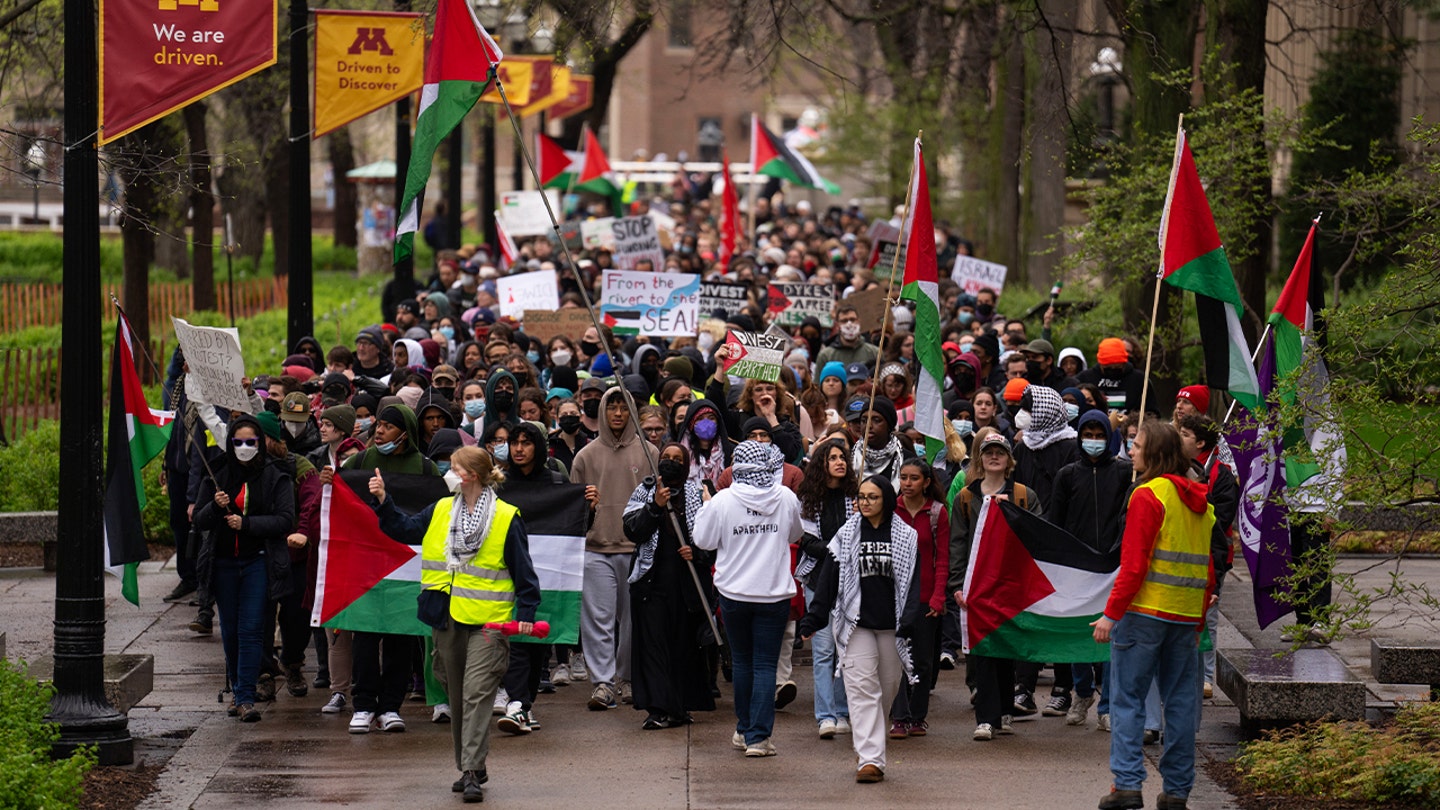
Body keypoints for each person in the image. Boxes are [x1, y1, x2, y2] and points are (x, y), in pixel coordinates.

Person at [369, 446, 541, 804]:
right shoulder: (441, 508)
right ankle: (472, 764)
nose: (447, 470)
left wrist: (524, 619)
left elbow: (526, 577)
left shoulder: (507, 518)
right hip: (444, 617)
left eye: (454, 466)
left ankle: (469, 769)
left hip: (489, 624)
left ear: (471, 475)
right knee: (458, 696)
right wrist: (384, 500)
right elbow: (404, 529)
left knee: (478, 693)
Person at [1091, 421, 1215, 810]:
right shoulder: (1202, 504)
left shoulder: (1147, 495)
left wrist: (1111, 614)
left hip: (1143, 614)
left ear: (1155, 454)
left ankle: (1127, 786)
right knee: (1180, 704)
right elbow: (1208, 571)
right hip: (1183, 617)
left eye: (1138, 445)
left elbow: (1133, 564)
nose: (1131, 451)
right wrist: (1197, 623)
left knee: (1127, 700)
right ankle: (1177, 792)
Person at [799, 475, 922, 783]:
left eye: (872, 497)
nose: (864, 503)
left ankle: (870, 746)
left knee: (886, 692)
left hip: (891, 627)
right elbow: (829, 579)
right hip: (856, 625)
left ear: (886, 500)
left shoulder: (906, 536)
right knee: (861, 690)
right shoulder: (846, 534)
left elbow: (913, 583)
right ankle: (870, 760)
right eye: (861, 497)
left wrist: (909, 620)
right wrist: (814, 618)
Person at [692, 441, 804, 758]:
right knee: (766, 665)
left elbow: (703, 540)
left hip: (734, 593)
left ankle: (744, 729)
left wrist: (705, 505)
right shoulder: (785, 496)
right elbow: (795, 534)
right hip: (773, 593)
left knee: (742, 662)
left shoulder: (723, 500)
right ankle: (758, 737)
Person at [342, 404, 440, 734]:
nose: (379, 430)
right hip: (367, 564)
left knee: (401, 635)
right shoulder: (360, 462)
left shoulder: (425, 469)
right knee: (365, 634)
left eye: (388, 426)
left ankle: (390, 707)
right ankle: (365, 704)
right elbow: (340, 496)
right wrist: (329, 480)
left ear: (404, 433)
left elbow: (437, 511)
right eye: (378, 425)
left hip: (407, 567)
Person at [193, 413, 297, 722]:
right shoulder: (217, 475)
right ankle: (239, 689)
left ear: (261, 444)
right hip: (223, 564)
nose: (244, 448)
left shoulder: (275, 475)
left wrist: (246, 523)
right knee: (231, 630)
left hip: (257, 561)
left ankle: (246, 697)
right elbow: (199, 521)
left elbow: (284, 519)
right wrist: (214, 505)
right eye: (237, 442)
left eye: (250, 442)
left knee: (252, 629)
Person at [949, 430, 1041, 742]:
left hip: (1012, 585)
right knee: (984, 649)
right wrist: (957, 584)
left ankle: (1003, 711)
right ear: (979, 458)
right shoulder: (965, 498)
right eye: (988, 452)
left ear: (1008, 460)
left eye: (999, 452)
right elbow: (957, 543)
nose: (993, 457)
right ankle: (986, 718)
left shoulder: (1024, 496)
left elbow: (1038, 538)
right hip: (979, 586)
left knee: (1007, 648)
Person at [570, 387, 658, 710]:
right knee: (598, 619)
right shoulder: (585, 456)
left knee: (633, 620)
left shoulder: (649, 453)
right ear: (603, 412)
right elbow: (573, 506)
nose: (618, 413)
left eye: (624, 407)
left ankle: (628, 677)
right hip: (596, 548)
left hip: (636, 549)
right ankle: (603, 683)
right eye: (612, 407)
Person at [1047, 409, 1132, 728]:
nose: (1094, 441)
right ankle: (1083, 692)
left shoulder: (1125, 473)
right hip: (1077, 569)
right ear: (1079, 437)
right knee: (1079, 637)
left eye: (1100, 436)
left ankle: (1107, 705)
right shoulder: (1066, 475)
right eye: (1088, 435)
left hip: (1112, 566)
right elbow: (1056, 522)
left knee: (1111, 637)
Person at [623, 442, 717, 730]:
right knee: (653, 646)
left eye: (678, 459)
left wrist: (697, 553)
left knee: (682, 647)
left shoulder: (698, 494)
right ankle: (657, 708)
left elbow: (714, 539)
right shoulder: (645, 491)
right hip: (650, 584)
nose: (672, 462)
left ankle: (678, 707)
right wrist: (655, 507)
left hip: (687, 585)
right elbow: (632, 530)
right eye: (666, 458)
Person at [795, 439, 856, 739]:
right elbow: (806, 541)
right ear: (822, 463)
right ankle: (825, 716)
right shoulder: (808, 498)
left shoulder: (856, 497)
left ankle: (843, 711)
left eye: (842, 457)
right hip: (819, 580)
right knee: (822, 650)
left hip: (850, 582)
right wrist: (838, 550)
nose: (839, 462)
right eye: (832, 457)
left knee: (846, 649)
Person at [1176, 413, 1238, 696]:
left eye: (1185, 434)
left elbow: (1221, 518)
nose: (1179, 437)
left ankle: (1206, 676)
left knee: (1208, 618)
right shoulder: (1173, 468)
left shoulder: (1221, 475)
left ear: (1201, 442)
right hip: (1177, 557)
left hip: (1211, 557)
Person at [888, 459, 950, 739]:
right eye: (903, 477)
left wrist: (939, 597)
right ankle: (898, 716)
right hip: (894, 596)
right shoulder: (890, 509)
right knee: (896, 658)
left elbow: (943, 559)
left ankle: (917, 716)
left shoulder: (937, 513)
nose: (907, 483)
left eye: (914, 478)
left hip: (926, 597)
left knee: (923, 661)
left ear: (926, 482)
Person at [815, 303, 881, 370]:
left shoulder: (875, 353)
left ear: (859, 322)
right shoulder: (826, 356)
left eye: (852, 320)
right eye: (844, 321)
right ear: (837, 325)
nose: (849, 324)